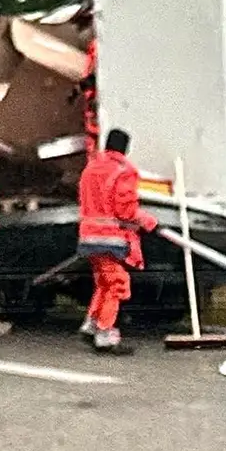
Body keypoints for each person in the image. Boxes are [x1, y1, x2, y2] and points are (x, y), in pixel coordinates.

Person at [76, 128, 158, 355]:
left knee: (104, 282)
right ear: (125, 148)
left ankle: (92, 324)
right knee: (116, 284)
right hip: (110, 238)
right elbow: (125, 210)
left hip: (88, 235)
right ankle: (105, 333)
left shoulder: (91, 168)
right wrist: (148, 221)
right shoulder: (124, 170)